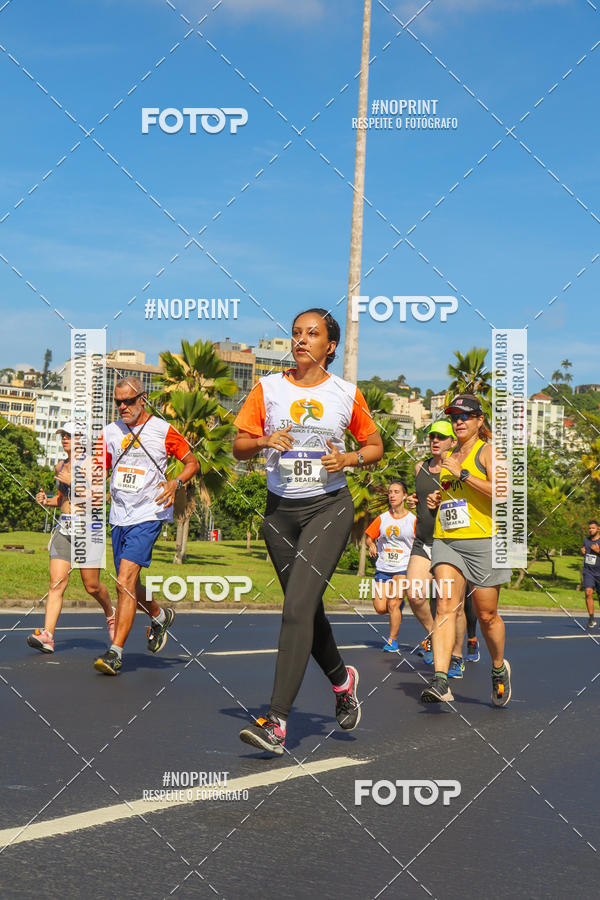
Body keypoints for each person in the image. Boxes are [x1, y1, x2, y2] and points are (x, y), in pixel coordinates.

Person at [235, 308, 383, 755]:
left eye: (312, 334)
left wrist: (349, 459)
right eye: (296, 332)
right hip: (280, 513)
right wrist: (263, 441)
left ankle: (276, 721)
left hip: (328, 508)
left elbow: (374, 446)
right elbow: (239, 445)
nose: (301, 339)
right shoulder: (269, 388)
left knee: (296, 609)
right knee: (307, 609)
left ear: (329, 346)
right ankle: (342, 679)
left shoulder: (345, 393)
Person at [93, 378, 199, 675]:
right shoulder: (110, 432)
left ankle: (115, 652)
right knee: (130, 584)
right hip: (119, 516)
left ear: (143, 399)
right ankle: (159, 614)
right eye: (118, 402)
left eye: (128, 401)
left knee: (123, 582)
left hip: (150, 513)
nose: (123, 407)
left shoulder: (163, 430)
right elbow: (100, 468)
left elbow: (192, 463)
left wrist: (176, 481)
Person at [420, 394, 512, 707]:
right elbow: (454, 493)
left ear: (479, 421)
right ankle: (441, 680)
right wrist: (437, 499)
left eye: (466, 416)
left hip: (484, 541)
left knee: (487, 615)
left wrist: (462, 472)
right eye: (454, 416)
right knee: (446, 605)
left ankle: (498, 667)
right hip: (447, 540)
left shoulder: (488, 452)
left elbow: (501, 493)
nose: (459, 421)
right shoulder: (450, 454)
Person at [27, 422, 115, 654]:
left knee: (92, 586)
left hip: (88, 529)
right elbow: (62, 498)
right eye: (63, 435)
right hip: (64, 529)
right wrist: (46, 500)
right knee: (56, 583)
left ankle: (110, 613)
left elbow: (97, 500)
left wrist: (73, 483)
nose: (65, 439)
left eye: (70, 435)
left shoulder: (94, 465)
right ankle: (48, 636)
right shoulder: (61, 465)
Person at [405, 420, 472, 678]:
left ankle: (455, 656)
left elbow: (468, 504)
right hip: (424, 541)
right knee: (414, 594)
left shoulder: (458, 468)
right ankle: (436, 636)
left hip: (451, 543)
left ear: (452, 442)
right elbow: (419, 498)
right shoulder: (419, 467)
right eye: (432, 436)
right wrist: (415, 500)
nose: (435, 440)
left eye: (441, 437)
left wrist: (443, 501)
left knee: (452, 605)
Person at [365, 481, 415, 651]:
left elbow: (420, 543)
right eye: (390, 492)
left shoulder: (413, 520)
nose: (392, 495)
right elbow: (369, 537)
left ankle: (392, 640)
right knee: (380, 608)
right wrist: (371, 544)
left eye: (396, 492)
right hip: (383, 567)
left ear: (405, 495)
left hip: (402, 568)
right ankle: (398, 607)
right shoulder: (382, 518)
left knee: (393, 604)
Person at [581, 519, 600, 629]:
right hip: (588, 572)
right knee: (588, 592)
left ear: (598, 529)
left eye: (593, 528)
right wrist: (582, 551)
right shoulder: (586, 540)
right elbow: (586, 553)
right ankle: (591, 618)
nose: (591, 530)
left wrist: (598, 551)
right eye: (589, 528)